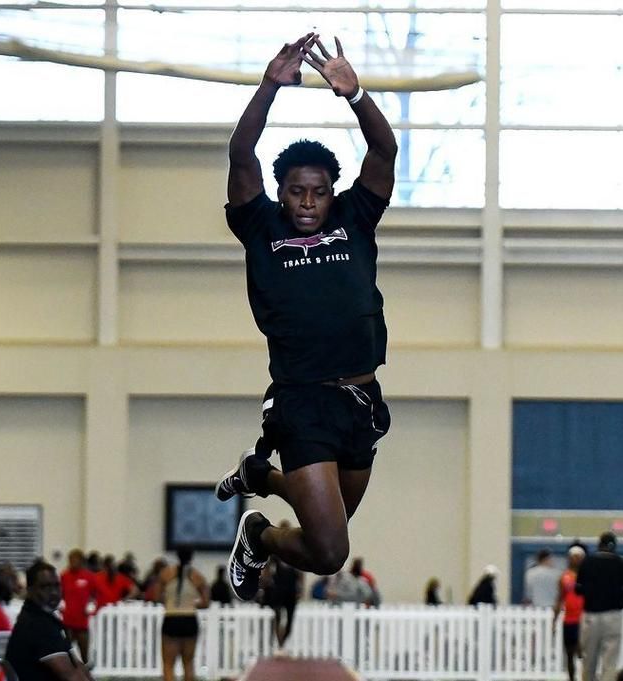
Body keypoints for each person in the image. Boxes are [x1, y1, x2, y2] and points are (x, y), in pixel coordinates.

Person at [212, 32, 398, 601]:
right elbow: (241, 155)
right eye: (297, 192)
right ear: (281, 192)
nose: (309, 202)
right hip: (303, 401)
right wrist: (270, 86)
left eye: (319, 191)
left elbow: (384, 153)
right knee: (332, 551)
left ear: (332, 191)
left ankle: (259, 482)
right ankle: (261, 533)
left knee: (326, 534)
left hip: (361, 398)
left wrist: (356, 95)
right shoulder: (259, 225)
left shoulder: (355, 216)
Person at [5, 561, 93, 681]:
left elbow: (78, 666)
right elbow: (71, 676)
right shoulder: (36, 624)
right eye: (45, 587)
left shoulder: (47, 619)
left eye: (57, 585)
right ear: (30, 590)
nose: (54, 592)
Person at [576, 532, 623, 681]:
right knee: (610, 660)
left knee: (589, 659)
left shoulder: (588, 562)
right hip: (613, 615)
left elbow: (578, 589)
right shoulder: (621, 563)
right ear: (614, 546)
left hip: (591, 615)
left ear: (599, 544)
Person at [156, 547, 209, 681]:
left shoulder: (166, 574)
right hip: (189, 619)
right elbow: (206, 602)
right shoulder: (197, 576)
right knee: (189, 663)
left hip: (171, 618)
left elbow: (156, 596)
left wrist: (170, 602)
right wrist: (192, 604)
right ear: (191, 558)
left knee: (168, 664)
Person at [263, 527, 304, 649]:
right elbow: (267, 567)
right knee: (277, 616)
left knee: (289, 621)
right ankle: (279, 643)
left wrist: (301, 588)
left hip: (291, 589)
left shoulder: (295, 551)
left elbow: (301, 571)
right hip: (279, 589)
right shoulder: (276, 552)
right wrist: (267, 580)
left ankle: (282, 643)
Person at [60, 549, 96, 664]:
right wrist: (60, 603)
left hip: (82, 623)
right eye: (70, 560)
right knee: (65, 653)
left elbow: (96, 594)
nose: (72, 562)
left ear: (81, 561)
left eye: (74, 560)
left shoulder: (89, 576)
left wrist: (91, 605)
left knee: (85, 655)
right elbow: (59, 593)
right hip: (67, 622)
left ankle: (86, 670)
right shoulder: (64, 575)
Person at [555, 545, 586, 681]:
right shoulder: (564, 577)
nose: (575, 560)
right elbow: (559, 598)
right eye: (573, 557)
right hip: (569, 619)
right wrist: (554, 619)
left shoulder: (587, 576)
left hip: (584, 619)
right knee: (569, 653)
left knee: (583, 652)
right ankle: (571, 678)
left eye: (578, 557)